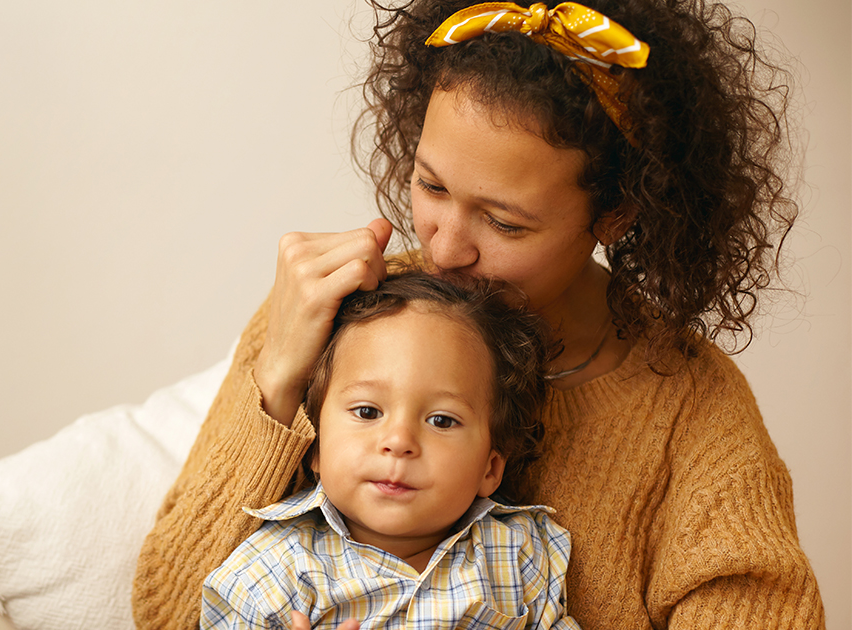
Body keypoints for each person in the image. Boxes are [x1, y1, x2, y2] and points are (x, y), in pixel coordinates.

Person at [133, 0, 825, 628]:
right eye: (430, 186)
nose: (445, 247)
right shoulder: (338, 312)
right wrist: (278, 377)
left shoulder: (691, 410)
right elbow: (166, 611)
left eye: (504, 222)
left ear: (616, 215)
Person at [199, 272, 579, 629]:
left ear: (490, 468)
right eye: (367, 412)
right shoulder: (274, 571)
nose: (398, 442)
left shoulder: (518, 551)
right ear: (314, 444)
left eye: (442, 421)